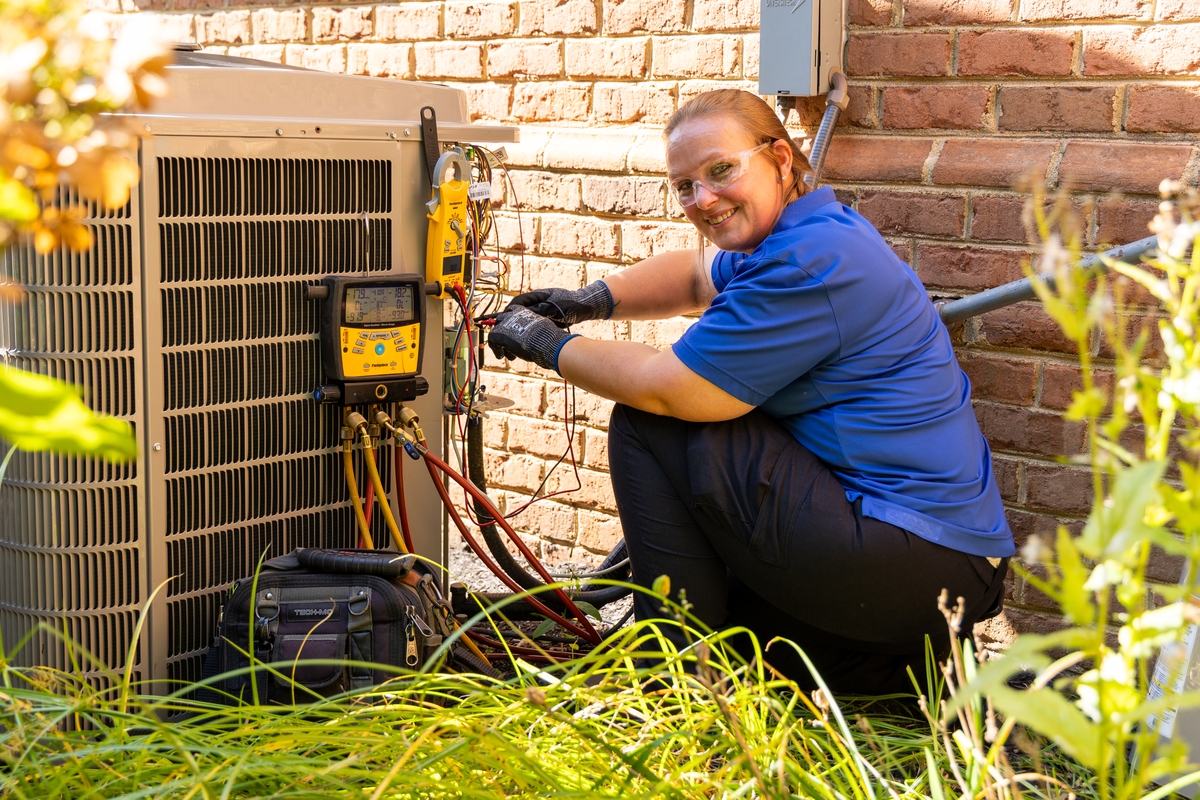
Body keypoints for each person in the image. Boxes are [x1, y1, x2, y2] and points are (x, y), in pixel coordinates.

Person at [486, 89, 1012, 695]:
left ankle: (671, 684)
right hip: (946, 566)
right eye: (684, 186)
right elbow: (690, 274)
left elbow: (669, 390)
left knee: (651, 424)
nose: (702, 199)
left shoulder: (808, 265)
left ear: (781, 160)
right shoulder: (806, 232)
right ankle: (902, 669)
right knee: (734, 624)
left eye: (720, 170)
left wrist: (545, 344)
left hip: (910, 555)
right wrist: (587, 300)